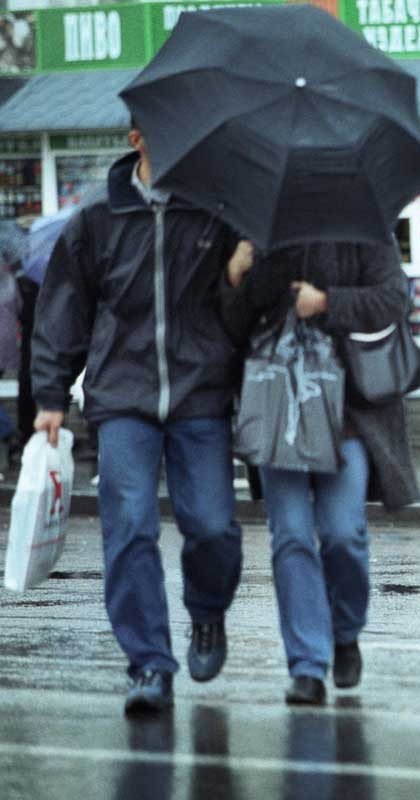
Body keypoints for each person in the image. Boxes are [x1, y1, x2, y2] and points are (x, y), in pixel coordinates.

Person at [31, 120, 244, 715]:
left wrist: (243, 268)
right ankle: (149, 663)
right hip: (123, 398)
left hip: (200, 393)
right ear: (137, 140)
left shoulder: (213, 213)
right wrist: (51, 397)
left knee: (214, 528)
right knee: (128, 527)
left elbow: (239, 310)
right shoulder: (98, 219)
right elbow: (62, 311)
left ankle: (206, 614)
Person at [222, 240, 420, 706]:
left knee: (343, 535)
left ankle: (345, 631)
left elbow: (394, 298)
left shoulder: (364, 231)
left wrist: (329, 302)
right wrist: (235, 277)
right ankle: (307, 665)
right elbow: (229, 329)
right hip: (277, 413)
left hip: (348, 415)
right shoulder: (258, 233)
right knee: (290, 536)